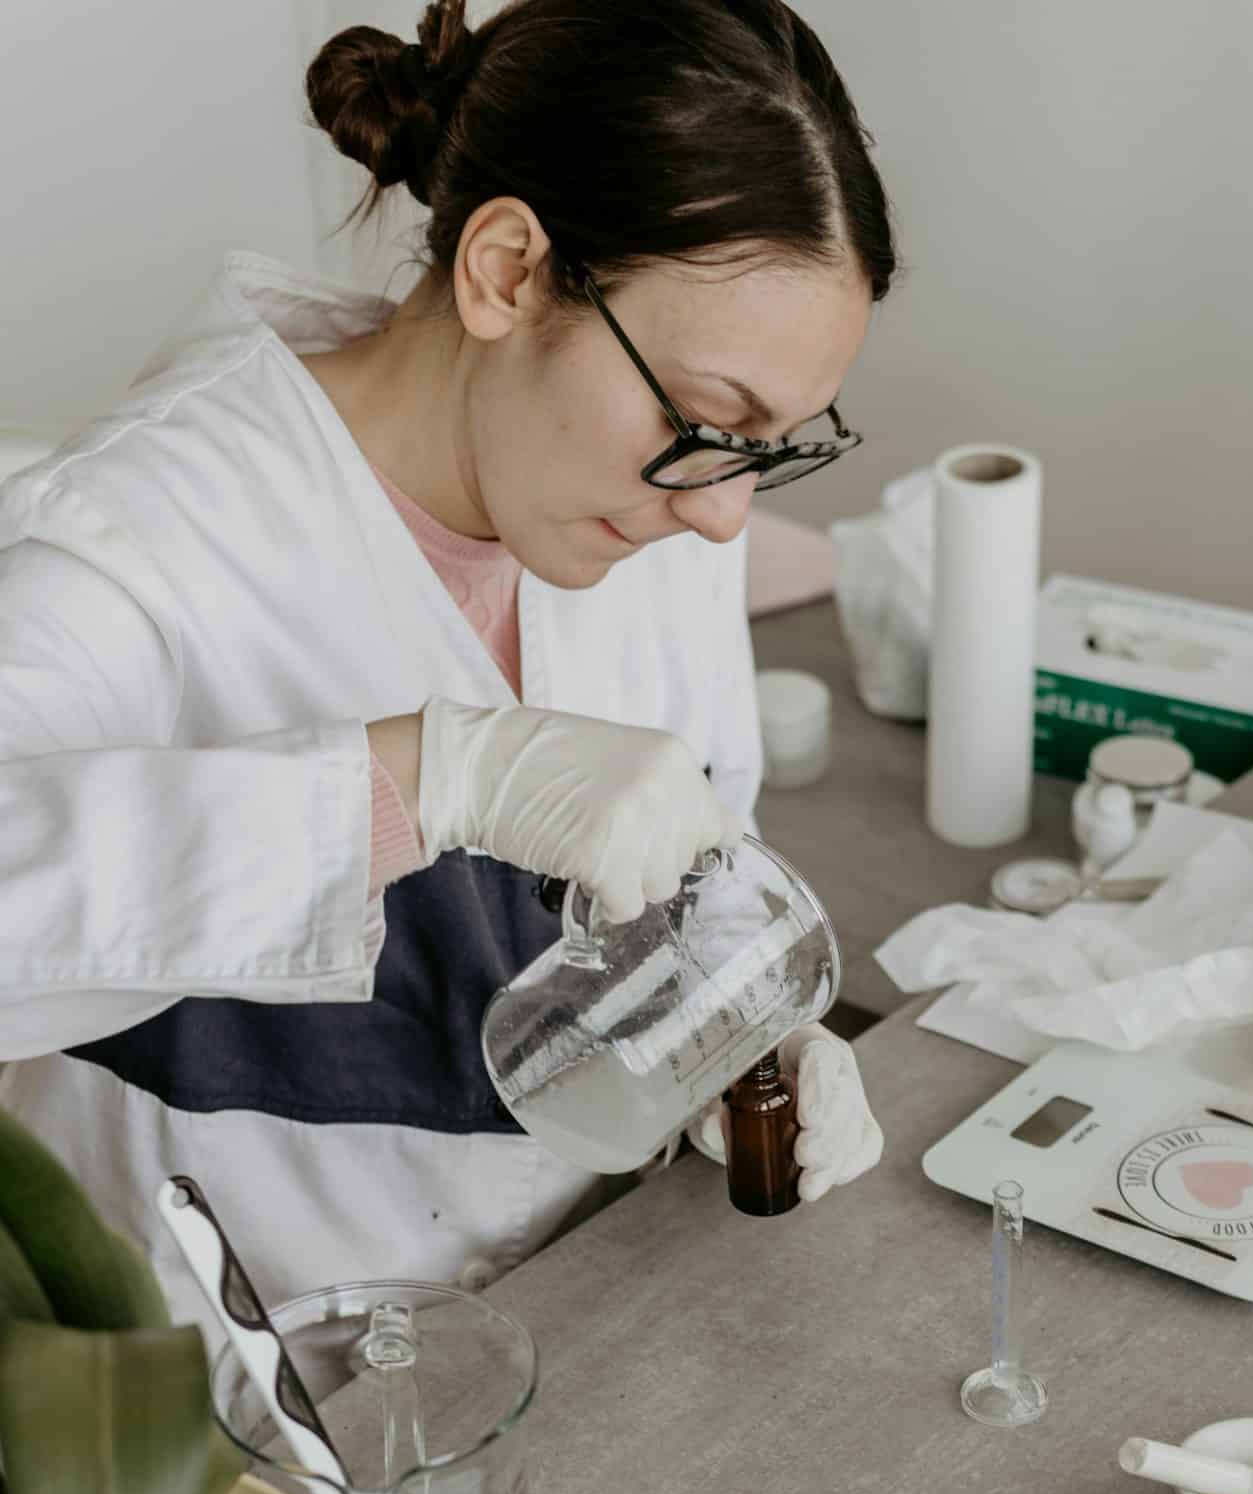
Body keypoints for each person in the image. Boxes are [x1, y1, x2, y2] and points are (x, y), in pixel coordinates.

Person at [0, 0, 890, 1315]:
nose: (723, 514)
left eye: (769, 448)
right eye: (709, 421)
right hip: (250, 1371)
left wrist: (735, 1032)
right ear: (508, 272)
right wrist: (422, 780)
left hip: (579, 1309)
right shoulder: (140, 532)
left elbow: (692, 867)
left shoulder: (646, 512)